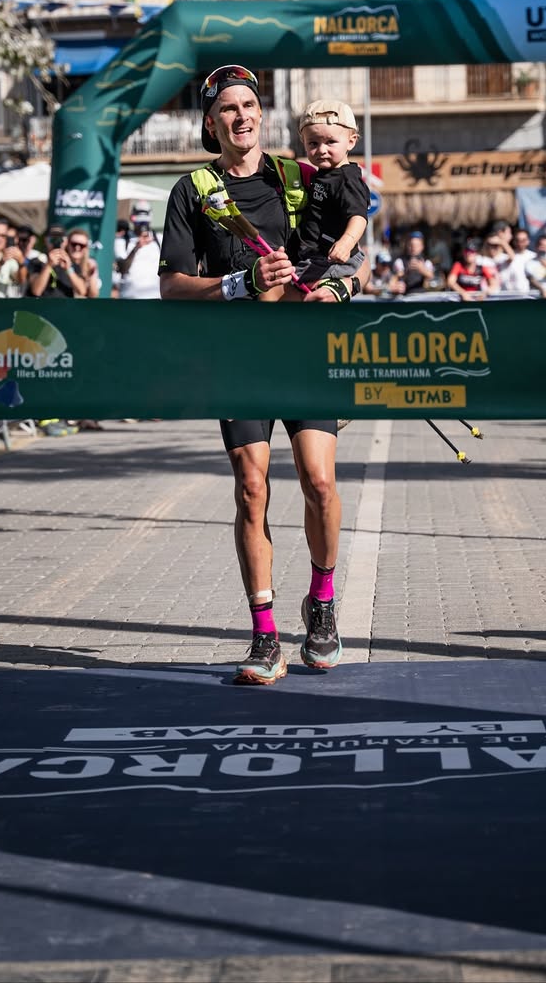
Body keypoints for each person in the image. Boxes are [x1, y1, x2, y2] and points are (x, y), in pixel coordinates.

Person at [159, 63, 365, 686]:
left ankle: (322, 603)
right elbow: (171, 287)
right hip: (239, 358)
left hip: (304, 354)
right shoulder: (193, 190)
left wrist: (342, 287)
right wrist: (238, 282)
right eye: (228, 108)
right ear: (211, 123)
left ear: (261, 115)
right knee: (252, 488)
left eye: (249, 105)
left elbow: (357, 254)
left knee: (319, 483)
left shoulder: (300, 176)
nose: (242, 116)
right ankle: (265, 633)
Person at [291, 99, 369, 292]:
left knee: (287, 288)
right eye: (313, 143)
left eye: (331, 142)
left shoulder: (346, 179)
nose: (321, 150)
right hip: (317, 256)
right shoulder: (325, 175)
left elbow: (358, 216)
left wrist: (346, 242)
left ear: (351, 141)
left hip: (333, 260)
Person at [28, 228, 101, 298]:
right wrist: (49, 265)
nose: (77, 248)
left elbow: (84, 291)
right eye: (74, 244)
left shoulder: (76, 265)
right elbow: (36, 291)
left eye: (82, 245)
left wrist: (69, 269)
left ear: (66, 242)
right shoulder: (38, 261)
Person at [114, 216, 161, 300]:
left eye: (145, 222)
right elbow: (123, 268)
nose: (142, 226)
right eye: (139, 223)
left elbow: (167, 264)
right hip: (129, 297)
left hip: (155, 297)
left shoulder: (159, 238)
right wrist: (136, 247)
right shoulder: (122, 240)